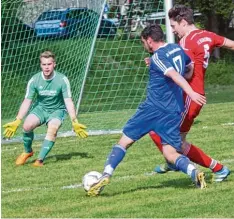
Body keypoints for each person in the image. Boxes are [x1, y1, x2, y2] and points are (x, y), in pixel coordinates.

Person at [88, 24, 207, 196]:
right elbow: (189, 69)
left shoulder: (158, 56)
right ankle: (194, 172)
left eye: (144, 42)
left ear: (150, 41)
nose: (144, 46)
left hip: (153, 108)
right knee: (170, 152)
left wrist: (191, 92)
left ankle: (106, 175)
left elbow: (174, 74)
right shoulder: (175, 48)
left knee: (124, 142)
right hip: (174, 110)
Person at [149, 5, 234, 182]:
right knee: (173, 137)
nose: (173, 30)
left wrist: (159, 67)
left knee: (159, 132)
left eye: (173, 26)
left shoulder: (186, 42)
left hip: (189, 97)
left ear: (184, 22)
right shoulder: (208, 36)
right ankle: (173, 160)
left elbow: (187, 71)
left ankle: (217, 168)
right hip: (195, 96)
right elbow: (230, 44)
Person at [3, 50, 88, 167]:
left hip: (57, 110)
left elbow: (68, 101)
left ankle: (39, 160)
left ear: (54, 64)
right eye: (44, 64)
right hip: (40, 109)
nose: (46, 67)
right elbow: (27, 100)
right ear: (40, 65)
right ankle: (27, 151)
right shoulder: (34, 80)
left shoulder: (62, 80)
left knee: (53, 128)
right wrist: (18, 119)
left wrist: (74, 120)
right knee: (27, 126)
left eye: (49, 64)